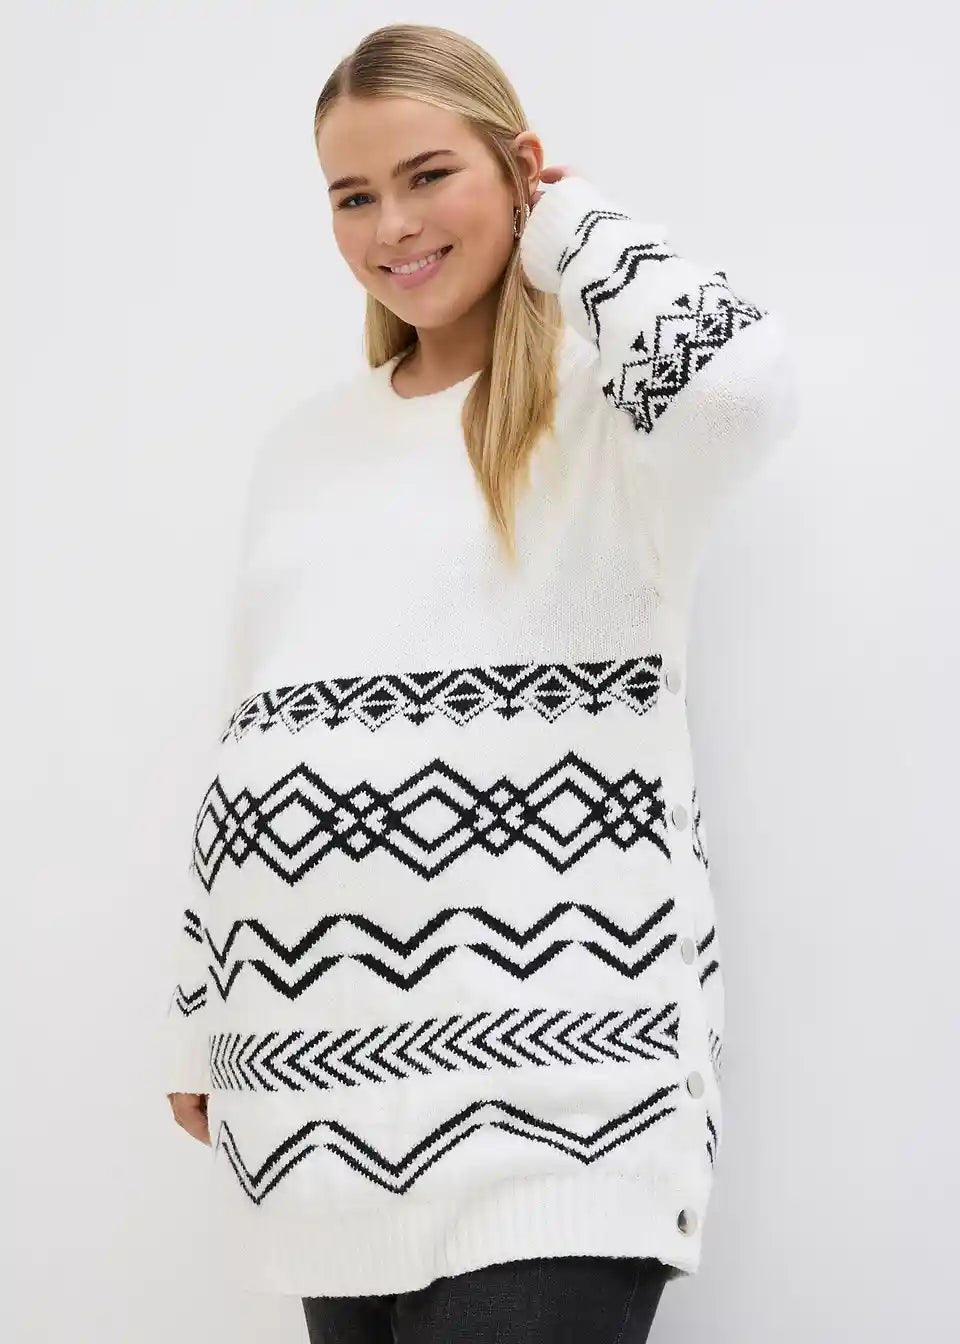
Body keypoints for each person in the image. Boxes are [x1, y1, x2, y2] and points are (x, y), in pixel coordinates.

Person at [161, 21, 798, 1344]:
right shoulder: (307, 449)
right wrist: (196, 1017)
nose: (391, 225)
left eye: (429, 175)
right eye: (352, 195)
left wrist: (570, 222)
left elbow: (740, 387)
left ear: (516, 166)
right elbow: (246, 736)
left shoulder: (609, 412)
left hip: (566, 1112)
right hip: (321, 1110)